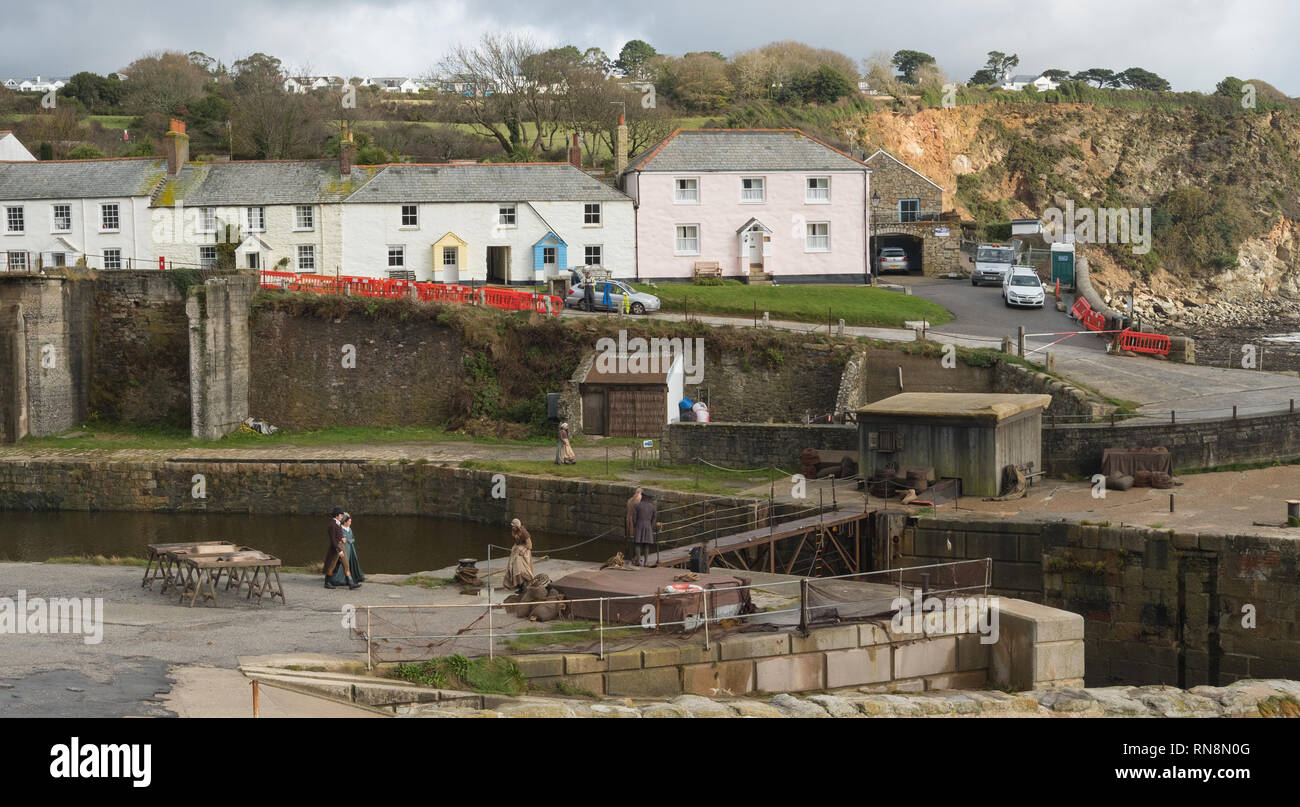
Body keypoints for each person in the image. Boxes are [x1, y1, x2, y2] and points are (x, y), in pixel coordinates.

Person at [324, 507, 360, 590]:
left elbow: (338, 535)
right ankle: (327, 582)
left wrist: (342, 538)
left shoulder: (338, 523)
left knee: (346, 564)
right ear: (336, 515)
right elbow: (333, 540)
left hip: (341, 546)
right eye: (341, 515)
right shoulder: (332, 525)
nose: (342, 517)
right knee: (332, 565)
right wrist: (338, 550)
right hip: (336, 548)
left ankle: (351, 583)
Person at [503, 518, 534, 592]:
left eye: (513, 526)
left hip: (524, 551)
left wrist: (523, 550)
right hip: (517, 550)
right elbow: (517, 542)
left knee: (520, 568)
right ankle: (519, 585)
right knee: (512, 566)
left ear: (517, 526)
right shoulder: (514, 531)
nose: (512, 527)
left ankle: (524, 586)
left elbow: (530, 545)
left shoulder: (524, 532)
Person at [632, 492, 658, 567]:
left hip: (639, 525)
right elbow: (654, 518)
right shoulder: (652, 507)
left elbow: (634, 518)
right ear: (648, 498)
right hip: (648, 526)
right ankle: (646, 562)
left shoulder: (636, 505)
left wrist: (635, 525)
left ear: (642, 497)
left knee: (637, 544)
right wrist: (651, 526)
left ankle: (638, 561)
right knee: (646, 545)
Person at [625, 486, 642, 561]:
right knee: (637, 540)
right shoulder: (638, 502)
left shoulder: (629, 500)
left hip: (628, 521)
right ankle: (636, 557)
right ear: (639, 493)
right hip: (635, 522)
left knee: (629, 539)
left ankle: (629, 556)